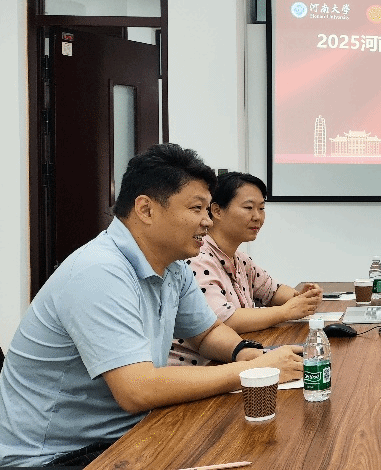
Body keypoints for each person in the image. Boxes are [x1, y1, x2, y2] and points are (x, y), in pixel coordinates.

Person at [0, 144, 303, 467]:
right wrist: (251, 371)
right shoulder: (99, 272)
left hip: (131, 434)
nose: (206, 221)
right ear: (146, 209)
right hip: (59, 457)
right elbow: (137, 390)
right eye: (196, 208)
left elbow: (206, 333)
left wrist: (246, 353)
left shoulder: (173, 266)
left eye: (207, 209)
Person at [169, 172, 323, 366]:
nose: (257, 217)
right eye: (248, 208)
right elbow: (223, 319)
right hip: (197, 368)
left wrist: (301, 297)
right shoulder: (197, 258)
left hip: (231, 357)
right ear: (216, 211)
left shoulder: (240, 259)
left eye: (261, 208)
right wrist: (286, 312)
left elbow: (272, 291)